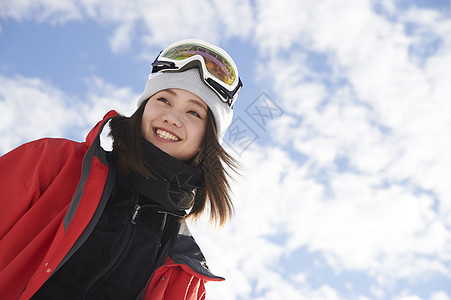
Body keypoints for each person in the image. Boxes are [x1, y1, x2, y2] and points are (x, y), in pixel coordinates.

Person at [0, 38, 242, 299]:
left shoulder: (185, 276)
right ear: (143, 108)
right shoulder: (51, 163)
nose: (171, 117)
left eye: (194, 113)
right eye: (164, 100)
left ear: (208, 139)